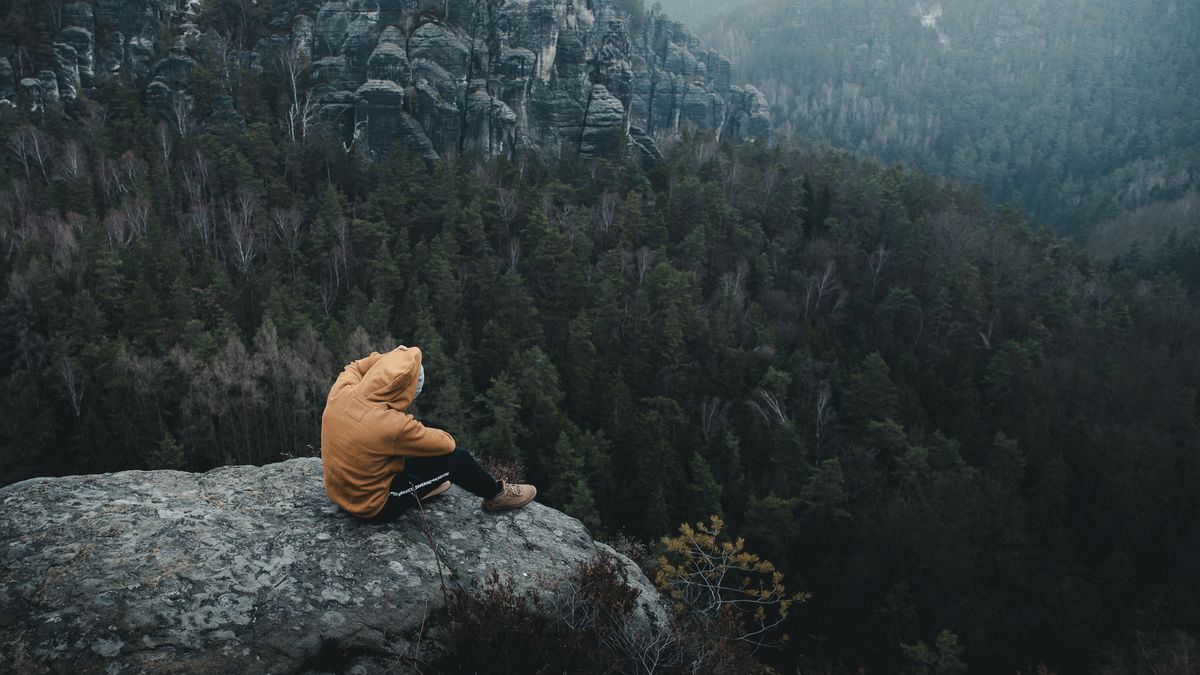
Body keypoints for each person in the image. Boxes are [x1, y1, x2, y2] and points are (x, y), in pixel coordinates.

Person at [320, 345, 535, 523]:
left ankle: (422, 487)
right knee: (458, 459)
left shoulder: (341, 389)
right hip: (372, 506)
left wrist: (389, 359)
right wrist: (410, 425)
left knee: (396, 453)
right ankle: (496, 495)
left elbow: (355, 366)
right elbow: (447, 445)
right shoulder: (392, 426)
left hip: (338, 493)